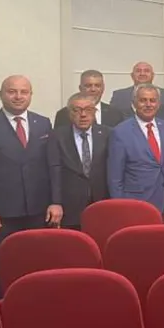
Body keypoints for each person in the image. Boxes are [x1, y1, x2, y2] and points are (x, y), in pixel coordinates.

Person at [0, 75, 54, 298]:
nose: (18, 96)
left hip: (37, 212)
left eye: (24, 92)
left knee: (35, 267)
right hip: (0, 216)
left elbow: (51, 166)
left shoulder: (43, 123)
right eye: (12, 91)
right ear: (1, 94)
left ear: (30, 95)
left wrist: (55, 201)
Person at [107, 83, 164, 215]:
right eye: (143, 100)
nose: (148, 104)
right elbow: (115, 176)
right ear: (134, 103)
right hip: (136, 202)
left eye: (152, 100)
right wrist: (119, 206)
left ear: (158, 104)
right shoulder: (120, 132)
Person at [47, 92, 110, 228]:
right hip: (70, 206)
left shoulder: (107, 134)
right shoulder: (57, 136)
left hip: (101, 203)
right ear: (69, 113)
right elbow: (54, 171)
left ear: (94, 112)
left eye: (88, 110)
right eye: (77, 110)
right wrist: (56, 202)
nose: (83, 115)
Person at [53, 69, 124, 128]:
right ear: (80, 88)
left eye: (97, 86)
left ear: (103, 88)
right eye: (88, 86)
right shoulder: (64, 114)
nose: (93, 89)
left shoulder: (115, 114)